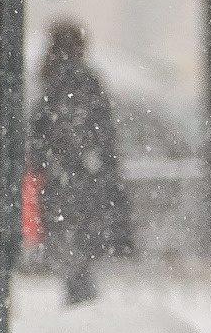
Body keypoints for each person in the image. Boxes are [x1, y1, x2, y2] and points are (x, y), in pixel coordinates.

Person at [28, 20, 135, 304]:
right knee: (80, 251)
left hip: (61, 180)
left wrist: (41, 163)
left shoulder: (53, 80)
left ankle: (79, 302)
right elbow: (102, 132)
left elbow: (42, 130)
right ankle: (83, 303)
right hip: (83, 179)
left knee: (70, 250)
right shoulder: (84, 81)